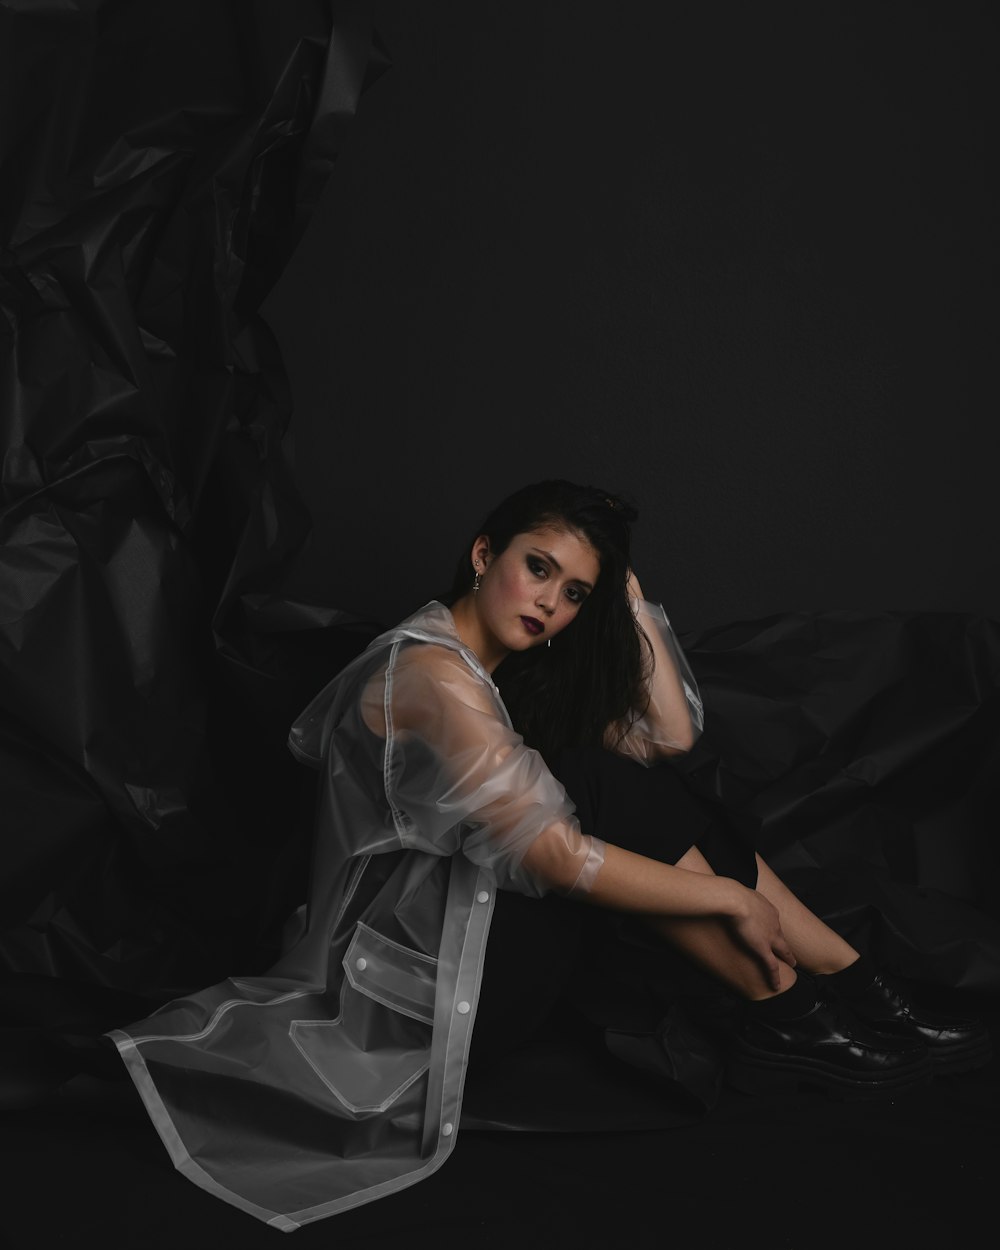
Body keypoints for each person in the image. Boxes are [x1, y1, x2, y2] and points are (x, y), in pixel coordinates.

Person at [108, 479, 992, 1231]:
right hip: (421, 1001)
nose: (549, 603)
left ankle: (826, 993)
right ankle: (801, 1001)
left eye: (574, 594)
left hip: (476, 952)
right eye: (539, 568)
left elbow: (672, 739)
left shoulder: (492, 671)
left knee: (619, 777)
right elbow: (560, 860)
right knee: (598, 788)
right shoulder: (429, 678)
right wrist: (732, 902)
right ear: (485, 552)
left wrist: (626, 593)